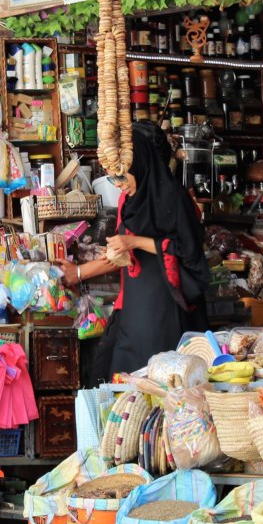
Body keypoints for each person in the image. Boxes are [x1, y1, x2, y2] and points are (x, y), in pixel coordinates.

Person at [58, 122, 210, 380]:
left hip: (164, 306)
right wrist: (120, 252)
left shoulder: (173, 198)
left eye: (122, 176)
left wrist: (135, 243)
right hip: (134, 304)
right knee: (119, 373)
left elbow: (189, 251)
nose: (117, 183)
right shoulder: (128, 201)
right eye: (112, 177)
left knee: (159, 376)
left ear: (141, 164)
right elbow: (124, 247)